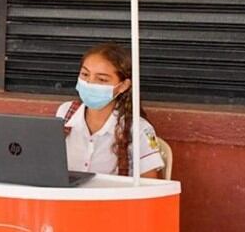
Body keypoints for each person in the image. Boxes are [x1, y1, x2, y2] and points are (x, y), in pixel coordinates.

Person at [56, 42, 164, 178]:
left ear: (123, 86)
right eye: (85, 74)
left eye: (101, 79)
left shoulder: (138, 129)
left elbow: (149, 187)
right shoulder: (65, 112)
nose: (90, 83)